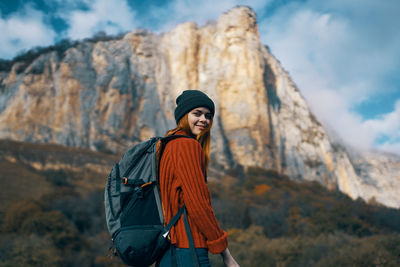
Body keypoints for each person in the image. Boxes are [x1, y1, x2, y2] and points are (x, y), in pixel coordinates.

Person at [157, 90, 239, 267]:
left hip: (167, 250)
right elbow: (198, 204)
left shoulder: (168, 145)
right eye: (197, 113)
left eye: (208, 115)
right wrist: (225, 254)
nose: (204, 119)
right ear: (183, 116)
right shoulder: (187, 146)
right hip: (188, 249)